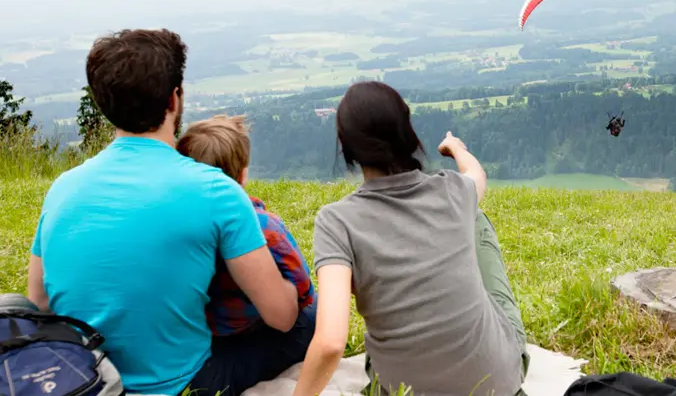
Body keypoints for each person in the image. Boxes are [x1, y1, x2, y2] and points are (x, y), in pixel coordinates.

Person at [27, 29, 300, 396]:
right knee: (309, 320)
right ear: (174, 99)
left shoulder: (62, 187)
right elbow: (281, 318)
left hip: (86, 379)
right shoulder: (217, 191)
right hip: (186, 383)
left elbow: (38, 302)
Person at [293, 81, 530, 396]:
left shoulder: (336, 222)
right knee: (476, 219)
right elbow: (477, 176)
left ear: (347, 147)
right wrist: (456, 148)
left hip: (402, 389)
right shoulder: (453, 191)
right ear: (407, 133)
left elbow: (331, 341)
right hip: (498, 384)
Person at [176, 114, 317, 388]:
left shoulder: (169, 225)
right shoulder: (265, 228)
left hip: (190, 348)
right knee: (317, 312)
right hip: (235, 349)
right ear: (242, 175)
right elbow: (302, 293)